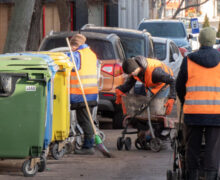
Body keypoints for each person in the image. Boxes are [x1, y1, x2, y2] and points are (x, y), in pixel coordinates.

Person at [176, 27, 220, 180]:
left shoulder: (188, 60)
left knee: (192, 147)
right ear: (214, 41)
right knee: (212, 149)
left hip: (193, 112)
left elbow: (179, 85)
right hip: (216, 114)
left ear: (200, 40)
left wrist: (185, 101)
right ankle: (210, 176)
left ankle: (192, 176)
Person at [67, 34, 99, 155]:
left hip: (81, 93)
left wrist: (68, 54)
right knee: (88, 118)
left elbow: (70, 64)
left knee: (85, 120)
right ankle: (89, 143)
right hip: (90, 92)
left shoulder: (77, 54)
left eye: (72, 46)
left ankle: (88, 146)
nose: (71, 48)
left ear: (75, 45)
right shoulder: (90, 53)